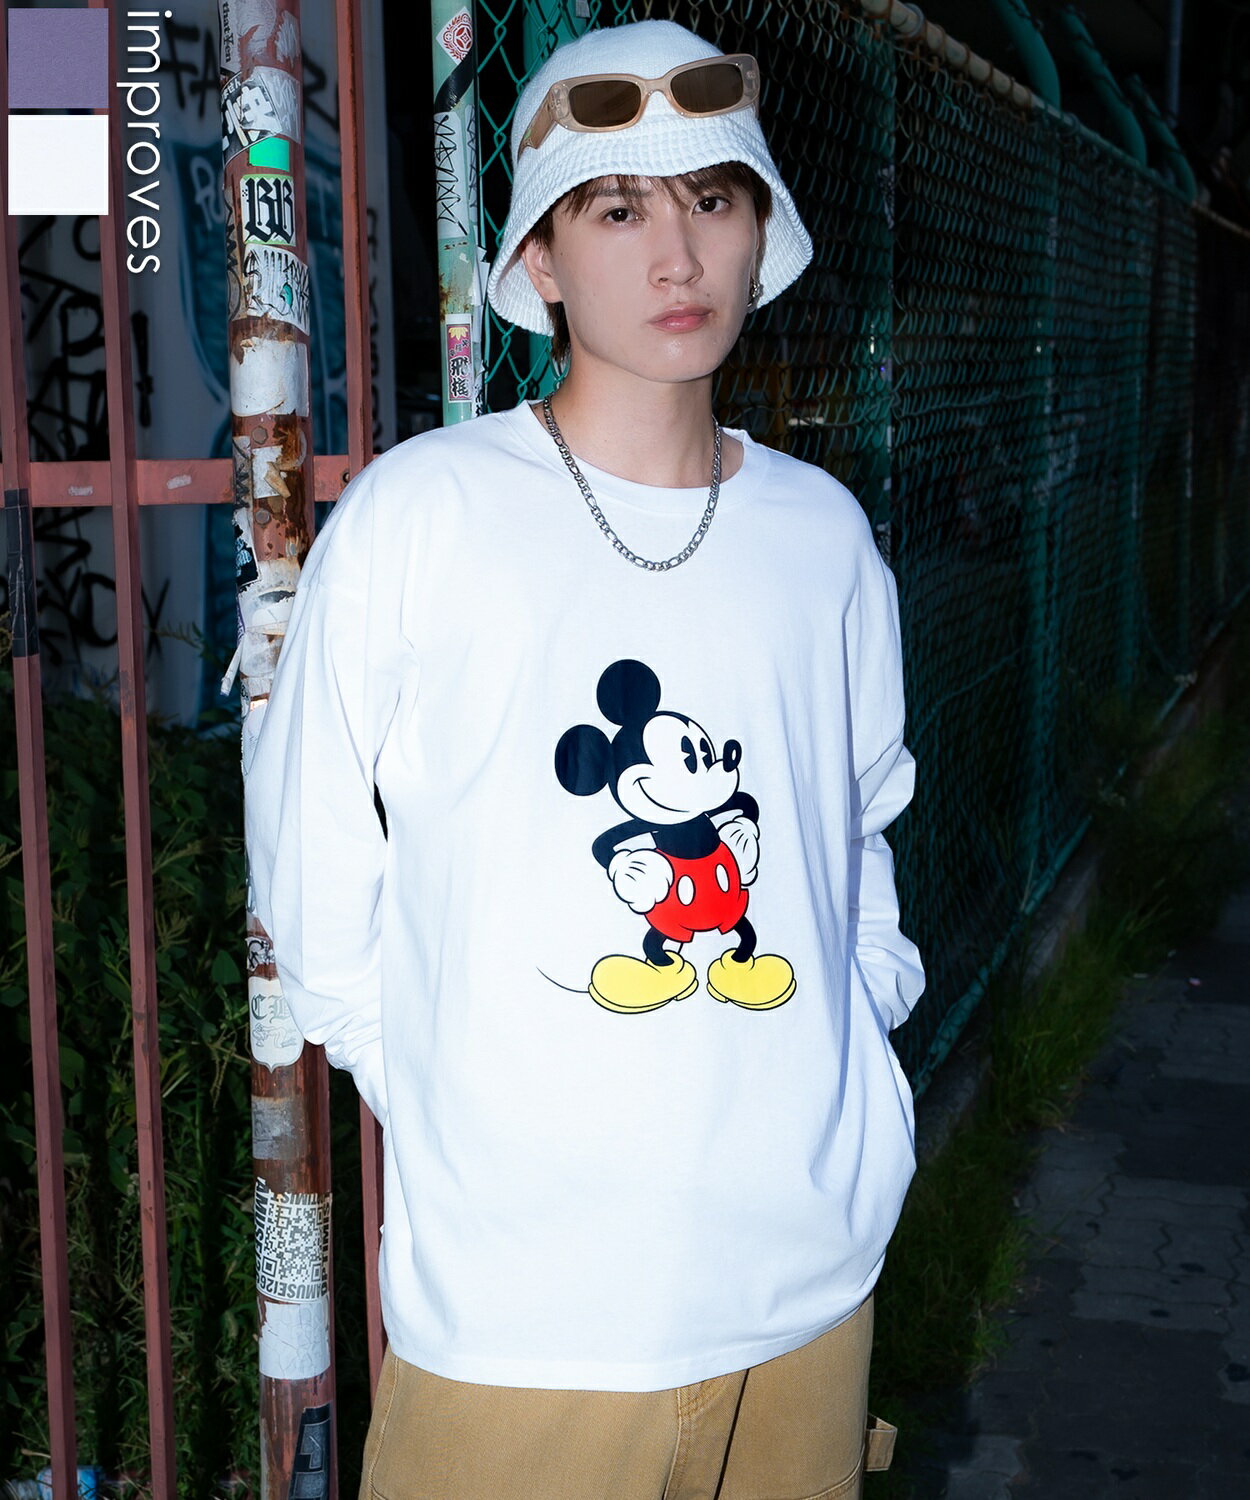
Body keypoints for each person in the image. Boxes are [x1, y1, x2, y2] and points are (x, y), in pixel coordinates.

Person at [246, 18, 925, 1500]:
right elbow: (313, 871)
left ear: (759, 230)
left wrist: (853, 1053)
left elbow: (856, 833)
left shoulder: (822, 537)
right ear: (540, 260)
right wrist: (459, 1097)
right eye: (618, 210)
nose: (676, 256)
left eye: (712, 198)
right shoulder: (426, 514)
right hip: (521, 1324)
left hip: (805, 1288)